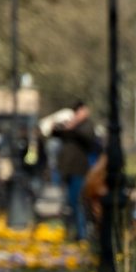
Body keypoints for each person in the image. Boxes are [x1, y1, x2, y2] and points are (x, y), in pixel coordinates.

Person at [51, 101, 100, 241]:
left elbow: (87, 138)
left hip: (80, 169)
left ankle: (82, 233)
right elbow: (55, 133)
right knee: (70, 203)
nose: (77, 114)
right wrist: (63, 126)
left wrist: (72, 128)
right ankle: (74, 231)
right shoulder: (71, 126)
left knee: (78, 202)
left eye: (80, 111)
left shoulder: (86, 126)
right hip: (67, 170)